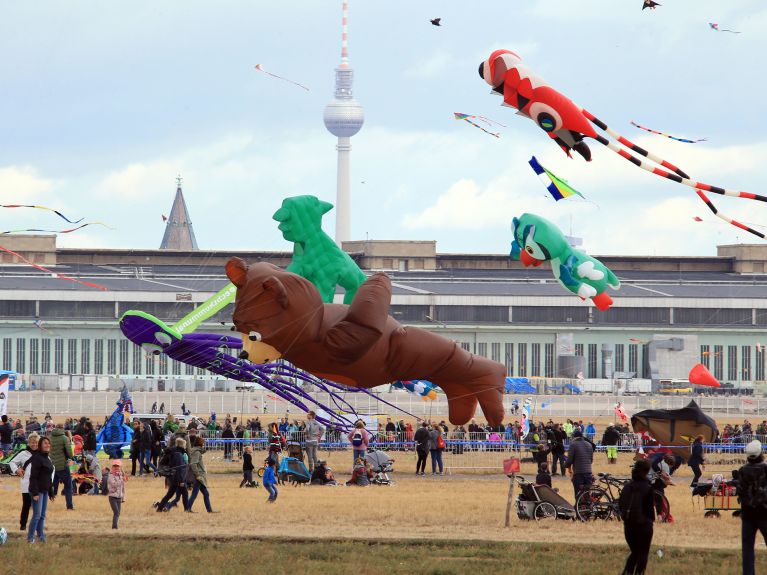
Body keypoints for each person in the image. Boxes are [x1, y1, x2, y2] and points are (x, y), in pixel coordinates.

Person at [618, 459, 655, 575]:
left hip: (628, 525)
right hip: (644, 525)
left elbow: (620, 505)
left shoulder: (627, 487)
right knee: (643, 553)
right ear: (647, 471)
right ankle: (639, 572)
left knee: (635, 552)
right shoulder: (648, 487)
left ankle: (627, 572)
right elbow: (649, 509)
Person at [736, 440, 767, 575]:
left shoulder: (742, 471)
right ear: (761, 453)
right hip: (764, 514)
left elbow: (741, 492)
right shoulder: (765, 469)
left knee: (747, 550)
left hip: (748, 515)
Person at [8, 432, 40, 531]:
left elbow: (51, 467)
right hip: (26, 484)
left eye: (36, 442)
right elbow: (12, 462)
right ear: (29, 443)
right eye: (32, 442)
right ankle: (23, 525)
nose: (34, 444)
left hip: (39, 485)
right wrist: (16, 470)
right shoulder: (23, 453)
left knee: (38, 509)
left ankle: (37, 527)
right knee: (26, 506)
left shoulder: (43, 454)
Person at [27, 436, 55, 544]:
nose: (47, 445)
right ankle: (30, 538)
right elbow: (33, 477)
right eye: (45, 443)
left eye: (48, 443)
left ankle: (41, 537)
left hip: (44, 490)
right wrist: (34, 493)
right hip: (37, 491)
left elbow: (48, 476)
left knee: (42, 515)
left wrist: (50, 490)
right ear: (40, 445)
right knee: (37, 515)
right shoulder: (38, 458)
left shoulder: (47, 458)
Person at [156, 437, 189, 512]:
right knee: (185, 493)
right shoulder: (179, 455)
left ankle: (159, 508)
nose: (185, 446)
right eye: (185, 445)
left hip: (172, 477)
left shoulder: (173, 452)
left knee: (169, 495)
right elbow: (179, 469)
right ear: (182, 445)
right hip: (177, 478)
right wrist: (181, 481)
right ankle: (187, 509)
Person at [187, 436, 215, 513]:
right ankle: (188, 508)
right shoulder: (197, 452)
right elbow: (193, 464)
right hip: (199, 476)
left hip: (200, 476)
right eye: (203, 443)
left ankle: (209, 510)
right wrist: (197, 475)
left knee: (206, 494)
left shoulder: (196, 451)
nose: (204, 444)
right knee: (195, 494)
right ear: (200, 444)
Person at [49, 424, 75, 510]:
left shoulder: (49, 437)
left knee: (52, 486)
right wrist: (70, 457)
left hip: (52, 465)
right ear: (62, 429)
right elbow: (70, 453)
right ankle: (69, 506)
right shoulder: (64, 438)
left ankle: (46, 503)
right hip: (62, 466)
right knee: (68, 486)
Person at [564, 429, 594, 500]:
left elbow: (570, 460)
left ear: (575, 437)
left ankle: (579, 507)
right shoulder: (589, 444)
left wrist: (565, 465)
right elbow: (591, 460)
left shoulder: (573, 445)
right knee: (587, 492)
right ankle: (587, 508)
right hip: (588, 472)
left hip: (578, 473)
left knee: (578, 492)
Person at [107, 460, 126, 529]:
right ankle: (115, 527)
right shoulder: (110, 476)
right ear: (112, 467)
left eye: (117, 466)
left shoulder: (121, 475)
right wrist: (122, 480)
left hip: (119, 497)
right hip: (112, 497)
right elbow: (114, 484)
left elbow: (123, 488)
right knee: (116, 512)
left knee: (117, 513)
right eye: (114, 466)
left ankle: (114, 527)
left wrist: (123, 497)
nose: (116, 467)